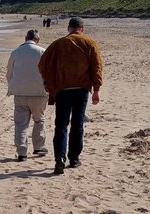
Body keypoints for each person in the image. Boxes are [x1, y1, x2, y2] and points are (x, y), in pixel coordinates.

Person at [38, 17, 103, 175]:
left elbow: (42, 64)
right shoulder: (89, 43)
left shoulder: (58, 44)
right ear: (82, 28)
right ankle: (74, 158)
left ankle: (59, 158)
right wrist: (96, 90)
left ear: (69, 28)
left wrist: (48, 82)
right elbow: (97, 67)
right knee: (77, 124)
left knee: (61, 125)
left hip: (62, 89)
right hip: (81, 89)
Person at [6, 28, 48, 161]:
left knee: (21, 124)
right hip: (39, 92)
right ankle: (38, 146)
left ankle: (22, 151)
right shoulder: (42, 51)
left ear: (25, 38)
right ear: (37, 39)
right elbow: (48, 72)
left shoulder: (16, 52)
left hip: (20, 93)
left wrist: (12, 87)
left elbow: (9, 72)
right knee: (39, 119)